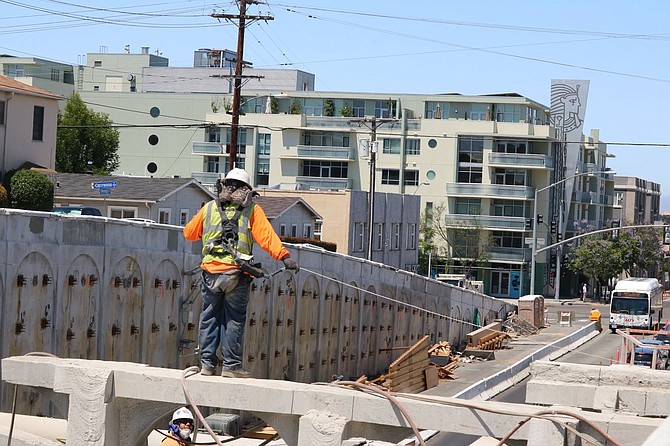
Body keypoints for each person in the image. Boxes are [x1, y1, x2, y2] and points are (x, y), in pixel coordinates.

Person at [184, 168, 299, 378]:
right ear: (247, 190)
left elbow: (189, 233)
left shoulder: (209, 208)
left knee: (209, 317)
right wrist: (285, 257)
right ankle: (231, 366)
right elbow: (267, 237)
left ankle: (207, 365)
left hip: (210, 273)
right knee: (233, 319)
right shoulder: (252, 211)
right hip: (236, 274)